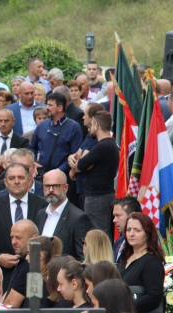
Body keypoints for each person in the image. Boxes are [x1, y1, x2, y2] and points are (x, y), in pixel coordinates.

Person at [0, 163, 47, 290]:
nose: (16, 182)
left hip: (36, 272)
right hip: (4, 274)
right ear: (5, 182)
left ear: (30, 180)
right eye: (11, 178)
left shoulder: (43, 205)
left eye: (21, 178)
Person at [73, 110, 119, 239]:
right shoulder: (110, 145)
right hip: (103, 195)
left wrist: (81, 164)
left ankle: (101, 259)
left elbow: (81, 164)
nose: (90, 129)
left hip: (97, 198)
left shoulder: (102, 146)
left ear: (97, 126)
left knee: (97, 234)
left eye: (92, 125)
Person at [35, 169, 94, 261]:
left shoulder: (78, 218)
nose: (51, 190)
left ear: (65, 188)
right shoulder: (41, 214)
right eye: (47, 186)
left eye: (55, 186)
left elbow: (83, 258)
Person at [117, 213, 165, 313]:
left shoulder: (151, 262)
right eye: (128, 230)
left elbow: (154, 296)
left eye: (137, 230)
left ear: (148, 234)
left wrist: (127, 308)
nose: (131, 234)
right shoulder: (124, 258)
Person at [30, 92, 83, 175]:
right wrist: (32, 162)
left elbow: (75, 155)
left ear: (60, 108)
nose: (47, 108)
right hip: (41, 175)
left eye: (50, 105)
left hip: (63, 176)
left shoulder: (74, 127)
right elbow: (32, 147)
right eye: (47, 104)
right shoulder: (42, 126)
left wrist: (59, 171)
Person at [1, 220, 39, 308]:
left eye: (18, 237)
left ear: (34, 238)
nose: (13, 242)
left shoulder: (30, 266)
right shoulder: (22, 262)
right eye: (12, 237)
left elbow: (10, 305)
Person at [112, 196, 142, 262]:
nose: (114, 220)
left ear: (132, 215)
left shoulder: (142, 244)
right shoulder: (118, 242)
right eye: (114, 216)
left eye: (118, 216)